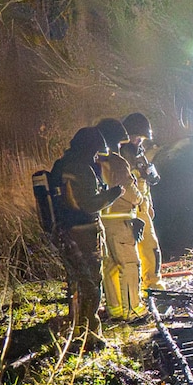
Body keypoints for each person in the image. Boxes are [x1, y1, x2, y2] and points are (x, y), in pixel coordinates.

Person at [51, 126, 123, 350]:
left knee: (76, 283)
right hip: (83, 233)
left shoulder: (60, 165)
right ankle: (89, 336)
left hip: (64, 231)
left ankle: (74, 330)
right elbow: (90, 204)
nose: (95, 156)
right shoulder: (80, 168)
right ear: (88, 148)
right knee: (91, 285)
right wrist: (114, 193)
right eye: (95, 152)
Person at [94, 118, 149, 321]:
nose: (120, 146)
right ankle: (133, 310)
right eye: (119, 142)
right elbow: (130, 192)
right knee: (129, 264)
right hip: (121, 222)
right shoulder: (116, 162)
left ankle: (115, 310)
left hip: (103, 221)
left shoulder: (95, 162)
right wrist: (140, 195)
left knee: (110, 267)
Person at [121, 112, 165, 289]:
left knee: (151, 249)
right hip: (128, 209)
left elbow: (146, 181)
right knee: (129, 255)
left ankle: (153, 287)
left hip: (142, 207)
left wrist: (149, 204)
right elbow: (124, 182)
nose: (138, 141)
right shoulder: (121, 154)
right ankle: (132, 292)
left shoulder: (139, 154)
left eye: (141, 138)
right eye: (135, 137)